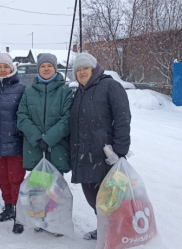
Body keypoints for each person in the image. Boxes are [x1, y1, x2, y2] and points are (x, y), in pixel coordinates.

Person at [69, 52, 132, 240]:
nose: (81, 73)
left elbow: (123, 119)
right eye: (78, 70)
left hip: (106, 155)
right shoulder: (79, 92)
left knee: (110, 198)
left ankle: (117, 232)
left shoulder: (110, 86)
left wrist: (119, 151)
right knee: (93, 198)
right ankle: (105, 228)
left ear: (93, 69)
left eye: (85, 69)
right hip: (85, 155)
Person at [16, 53, 73, 234]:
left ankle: (55, 222)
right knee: (39, 188)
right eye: (43, 66)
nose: (46, 69)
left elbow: (67, 119)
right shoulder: (29, 91)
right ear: (38, 69)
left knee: (55, 189)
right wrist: (37, 137)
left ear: (55, 69)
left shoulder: (65, 92)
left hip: (57, 148)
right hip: (36, 148)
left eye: (50, 66)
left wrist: (48, 139)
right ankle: (40, 220)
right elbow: (21, 117)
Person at [0, 53, 27, 234]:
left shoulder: (22, 89)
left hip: (15, 143)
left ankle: (20, 215)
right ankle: (8, 207)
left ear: (11, 68)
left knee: (16, 180)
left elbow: (26, 114)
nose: (2, 69)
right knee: (3, 179)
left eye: (5, 66)